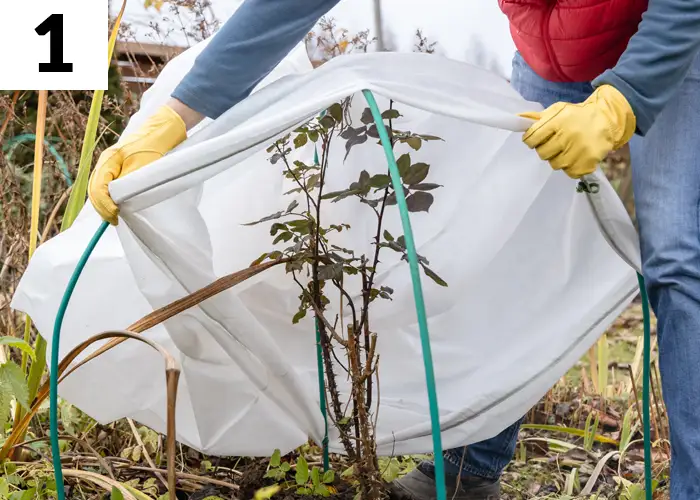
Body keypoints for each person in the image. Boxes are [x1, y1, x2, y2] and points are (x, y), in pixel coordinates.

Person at [89, 0, 700, 498]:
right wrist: (174, 116)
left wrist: (625, 98)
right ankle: (467, 469)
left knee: (677, 258)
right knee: (508, 230)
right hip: (553, 46)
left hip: (674, 31)